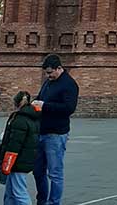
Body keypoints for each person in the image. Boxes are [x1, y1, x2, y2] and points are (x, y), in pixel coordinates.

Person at [32, 54, 79, 205]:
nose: (48, 75)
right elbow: (41, 97)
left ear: (59, 68)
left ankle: (53, 202)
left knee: (55, 172)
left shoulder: (69, 84)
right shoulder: (48, 82)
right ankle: (42, 199)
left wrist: (44, 106)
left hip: (56, 134)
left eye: (51, 72)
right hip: (41, 131)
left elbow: (69, 108)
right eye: (47, 73)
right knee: (38, 170)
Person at [0, 91, 40, 205]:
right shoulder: (33, 117)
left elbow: (14, 144)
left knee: (19, 192)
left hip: (17, 161)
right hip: (25, 159)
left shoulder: (19, 119)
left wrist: (6, 162)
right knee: (11, 191)